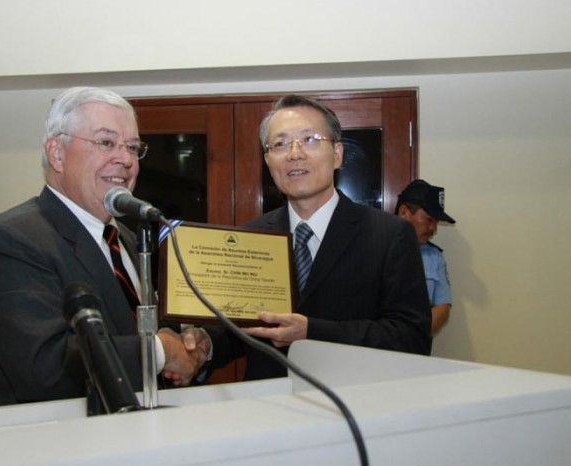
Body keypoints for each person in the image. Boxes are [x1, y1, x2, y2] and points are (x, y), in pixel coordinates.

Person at [0, 87, 204, 405]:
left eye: (133, 148)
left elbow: (139, 330)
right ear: (57, 154)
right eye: (106, 143)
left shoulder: (126, 239)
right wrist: (159, 352)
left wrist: (188, 344)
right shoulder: (9, 241)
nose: (126, 160)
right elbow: (46, 368)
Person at [170, 94, 432, 383]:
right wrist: (205, 346)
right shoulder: (250, 238)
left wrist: (312, 332)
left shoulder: (389, 234)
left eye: (310, 139)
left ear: (337, 154)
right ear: (268, 160)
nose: (294, 153)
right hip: (269, 401)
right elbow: (243, 329)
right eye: (280, 144)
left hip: (353, 399)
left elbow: (411, 338)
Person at [395, 179, 455, 336]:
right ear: (404, 213)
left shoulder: (435, 257)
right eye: (429, 219)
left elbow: (442, 308)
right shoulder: (376, 247)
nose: (433, 228)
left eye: (436, 222)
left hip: (416, 345)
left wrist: (412, 339)